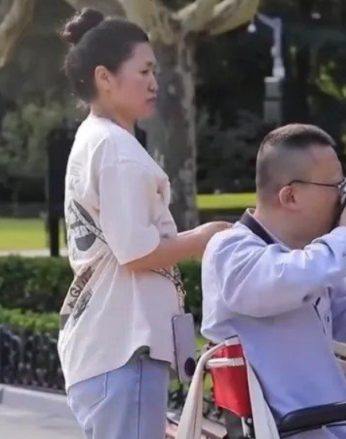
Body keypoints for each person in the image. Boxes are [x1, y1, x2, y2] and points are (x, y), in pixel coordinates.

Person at [56, 9, 230, 439]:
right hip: (124, 349)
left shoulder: (94, 137)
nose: (154, 82)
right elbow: (136, 253)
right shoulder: (117, 150)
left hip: (106, 348)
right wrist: (203, 238)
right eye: (144, 70)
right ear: (104, 77)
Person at [201, 124, 346, 439]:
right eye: (337, 186)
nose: (345, 197)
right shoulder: (230, 249)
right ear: (291, 195)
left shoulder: (307, 260)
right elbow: (283, 280)